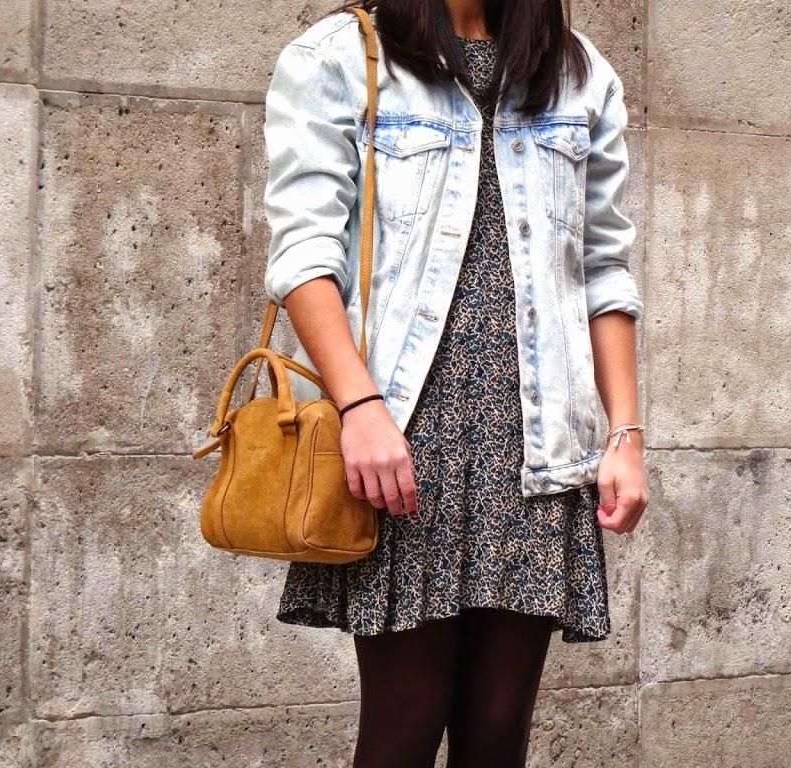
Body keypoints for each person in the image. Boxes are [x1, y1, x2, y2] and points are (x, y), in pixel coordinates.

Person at [261, 0, 649, 764]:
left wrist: (626, 435)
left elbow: (603, 268)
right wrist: (360, 407)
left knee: (498, 734)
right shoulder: (338, 57)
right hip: (405, 446)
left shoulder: (577, 74)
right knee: (404, 727)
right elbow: (304, 254)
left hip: (536, 451)